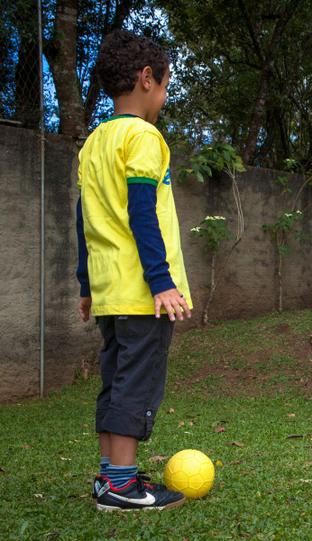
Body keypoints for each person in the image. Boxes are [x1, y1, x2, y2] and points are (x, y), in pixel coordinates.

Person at [76, 29, 193, 510]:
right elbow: (143, 213)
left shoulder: (94, 143)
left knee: (114, 379)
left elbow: (83, 220)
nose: (164, 97)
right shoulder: (143, 137)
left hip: (108, 291)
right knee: (136, 384)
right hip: (141, 292)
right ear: (147, 79)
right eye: (165, 86)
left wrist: (85, 284)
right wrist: (162, 282)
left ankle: (112, 476)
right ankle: (122, 490)